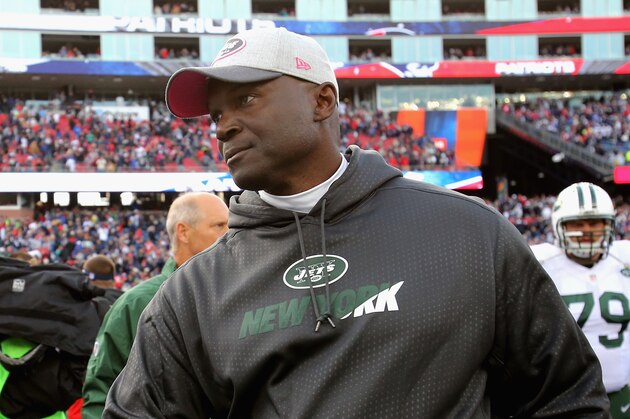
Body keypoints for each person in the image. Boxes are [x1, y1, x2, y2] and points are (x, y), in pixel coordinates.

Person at [104, 27, 610, 417]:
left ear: (322, 100)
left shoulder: (467, 234)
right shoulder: (193, 292)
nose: (224, 126)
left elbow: (566, 395)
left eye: (247, 98)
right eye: (215, 115)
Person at [82, 192, 229, 419]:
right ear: (183, 232)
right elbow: (101, 392)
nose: (230, 233)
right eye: (219, 225)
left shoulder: (239, 293)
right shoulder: (136, 303)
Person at [531, 182, 630, 419]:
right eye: (577, 223)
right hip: (565, 400)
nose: (587, 230)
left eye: (596, 222)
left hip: (622, 394)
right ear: (559, 226)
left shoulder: (623, 258)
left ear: (610, 224)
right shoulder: (540, 264)